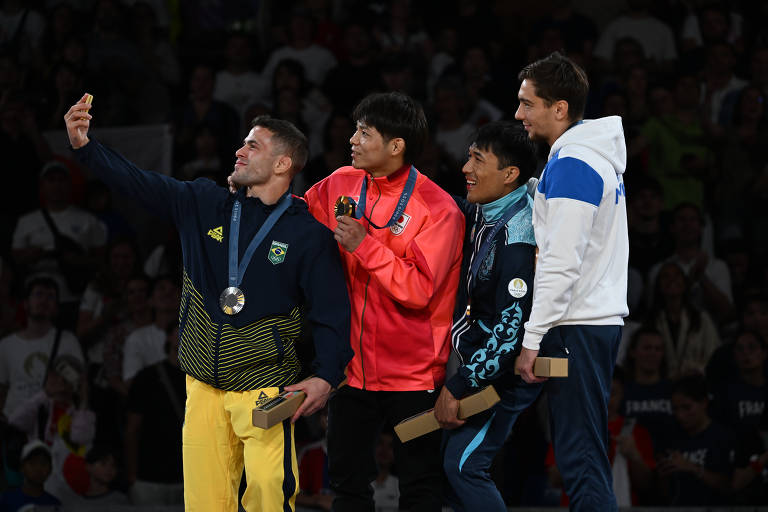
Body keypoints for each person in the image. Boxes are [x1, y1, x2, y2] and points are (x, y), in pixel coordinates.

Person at [65, 94, 352, 512]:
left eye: (253, 145)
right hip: (202, 387)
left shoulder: (308, 236)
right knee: (205, 504)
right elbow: (138, 182)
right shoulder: (204, 203)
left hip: (265, 387)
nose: (239, 150)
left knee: (270, 493)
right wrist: (86, 148)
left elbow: (332, 313)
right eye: (242, 143)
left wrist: (326, 376)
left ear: (282, 164)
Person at [301, 91, 465, 511]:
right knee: (347, 485)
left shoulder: (439, 210)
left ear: (396, 146)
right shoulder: (340, 182)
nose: (352, 139)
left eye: (363, 132)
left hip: (414, 378)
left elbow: (419, 290)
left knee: (420, 487)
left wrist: (364, 245)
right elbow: (296, 220)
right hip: (350, 371)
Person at [511, 51, 629, 511]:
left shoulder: (574, 163)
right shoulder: (583, 158)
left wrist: (532, 338)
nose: (518, 113)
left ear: (559, 108)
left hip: (576, 326)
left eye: (527, 103)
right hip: (588, 323)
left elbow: (560, 263)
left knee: (578, 455)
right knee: (581, 450)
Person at [434, 121, 537, 511]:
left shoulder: (519, 235)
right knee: (446, 473)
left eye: (478, 159)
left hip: (501, 375)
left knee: (463, 466)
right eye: (468, 157)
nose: (466, 168)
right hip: (475, 367)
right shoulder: (483, 209)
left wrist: (458, 386)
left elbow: (509, 333)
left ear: (509, 174)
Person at [0, 276, 84, 421]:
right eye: (38, 294)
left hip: (54, 423)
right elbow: (1, 388)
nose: (44, 300)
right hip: (15, 423)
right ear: (26, 303)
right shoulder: (6, 345)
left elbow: (80, 384)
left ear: (56, 308)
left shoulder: (68, 341)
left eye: (50, 297)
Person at [0, 440, 61, 512]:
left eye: (43, 463)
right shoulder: (6, 500)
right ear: (22, 468)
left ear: (50, 469)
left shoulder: (55, 505)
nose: (38, 468)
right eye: (32, 463)